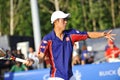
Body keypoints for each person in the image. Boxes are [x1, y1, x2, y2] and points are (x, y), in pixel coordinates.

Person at [25, 11, 115, 80]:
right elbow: (41, 57)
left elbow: (88, 34)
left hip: (70, 76)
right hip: (56, 77)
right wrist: (33, 60)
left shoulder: (71, 34)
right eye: (63, 20)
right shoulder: (47, 39)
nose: (66, 22)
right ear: (56, 22)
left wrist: (102, 34)